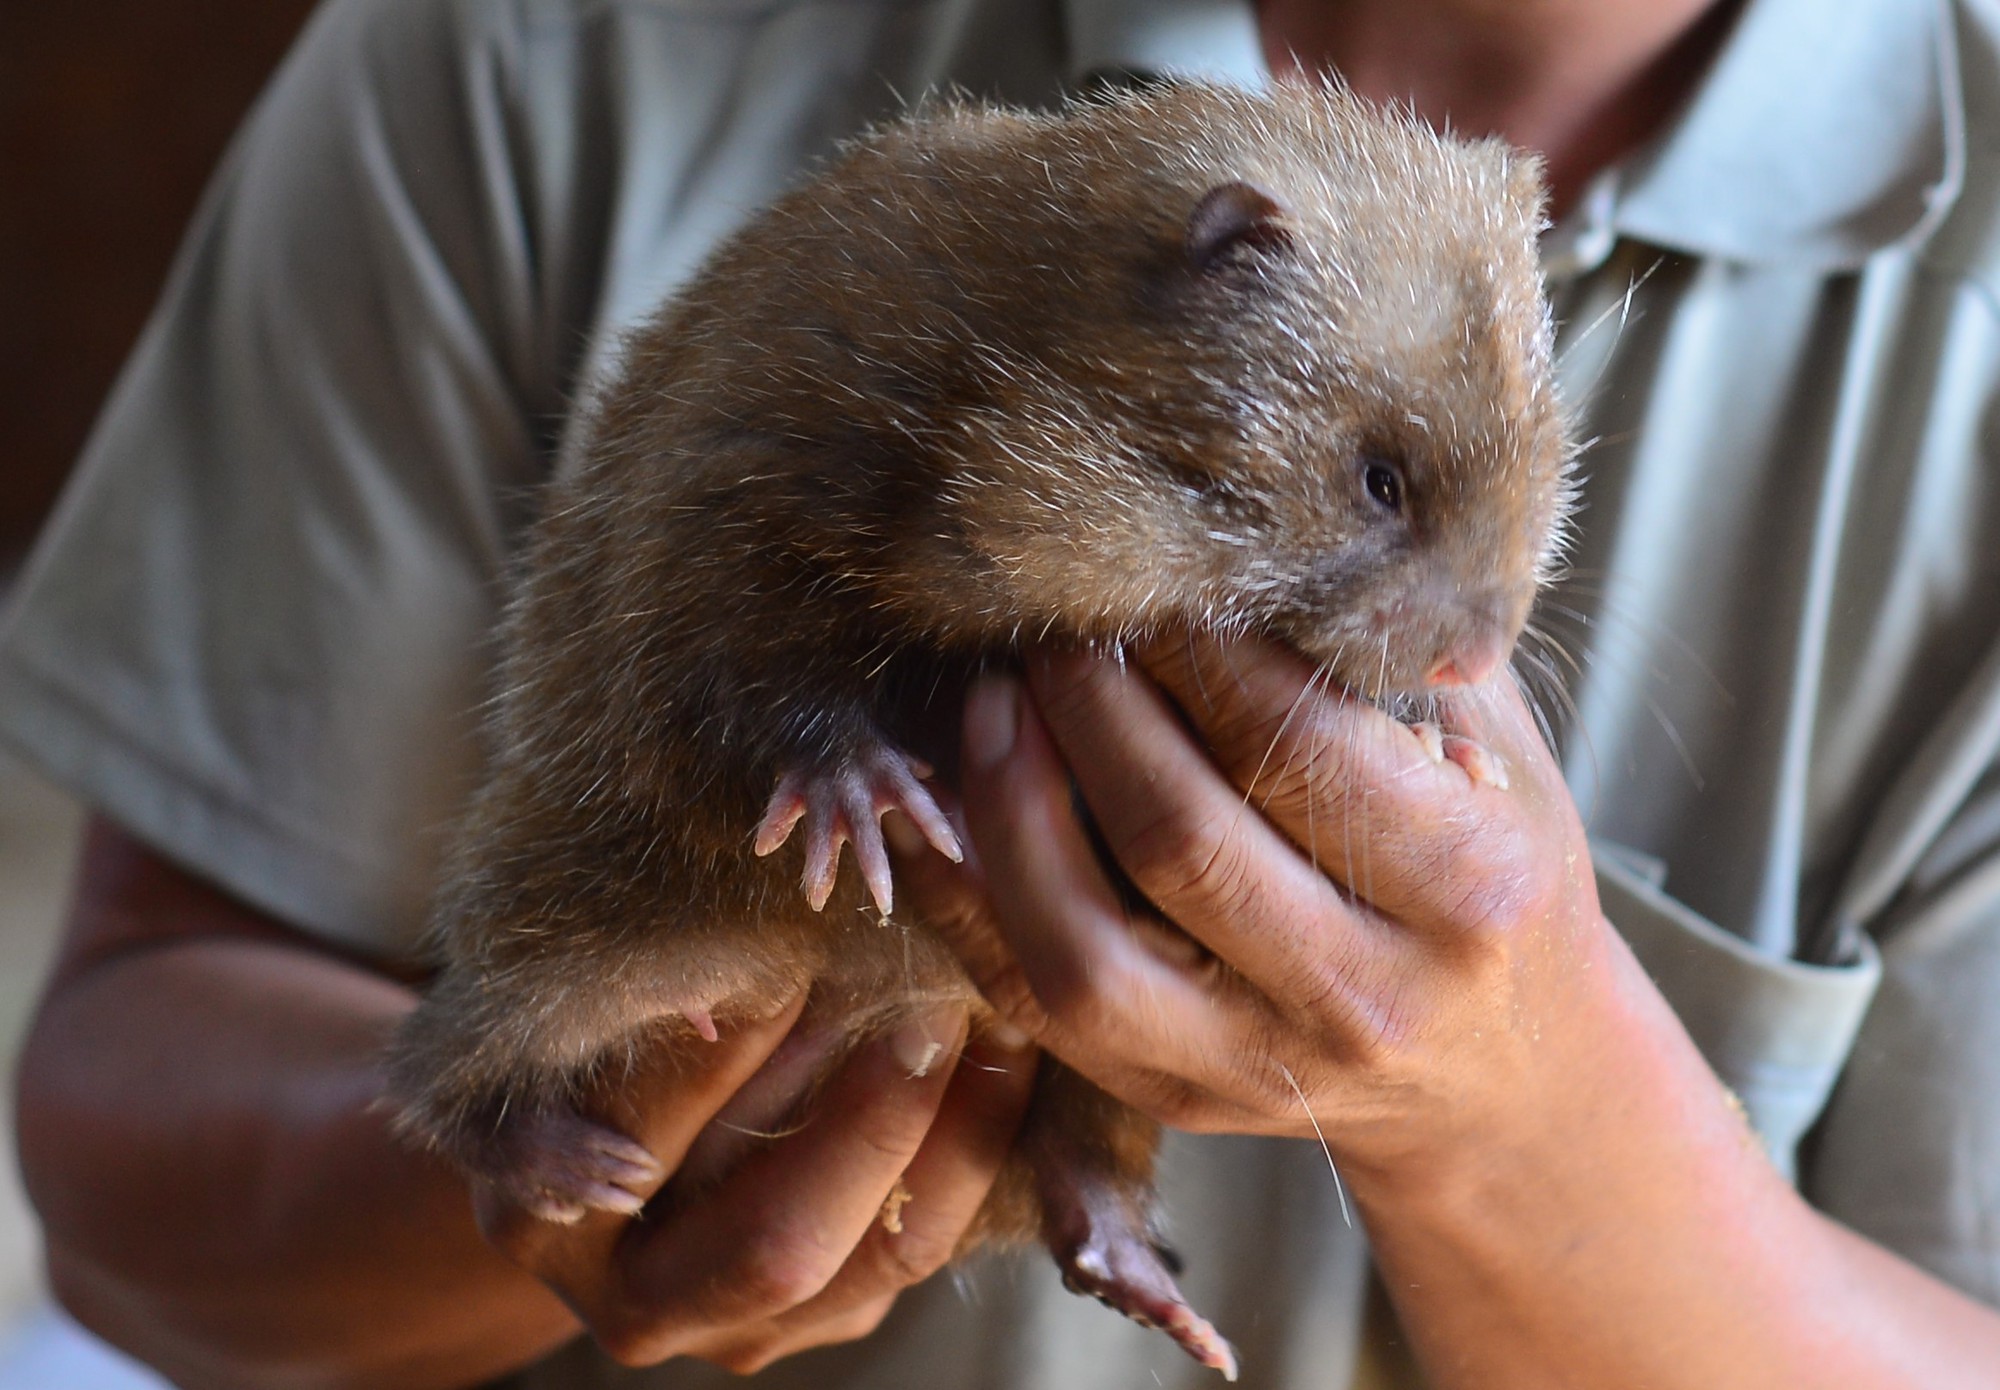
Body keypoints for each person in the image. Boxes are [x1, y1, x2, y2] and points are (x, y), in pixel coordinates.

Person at [5, 0, 2000, 1385]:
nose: (1470, 652)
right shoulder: (535, 63)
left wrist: (1527, 1113)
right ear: (1218, 264)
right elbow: (115, 1139)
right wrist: (528, 1188)